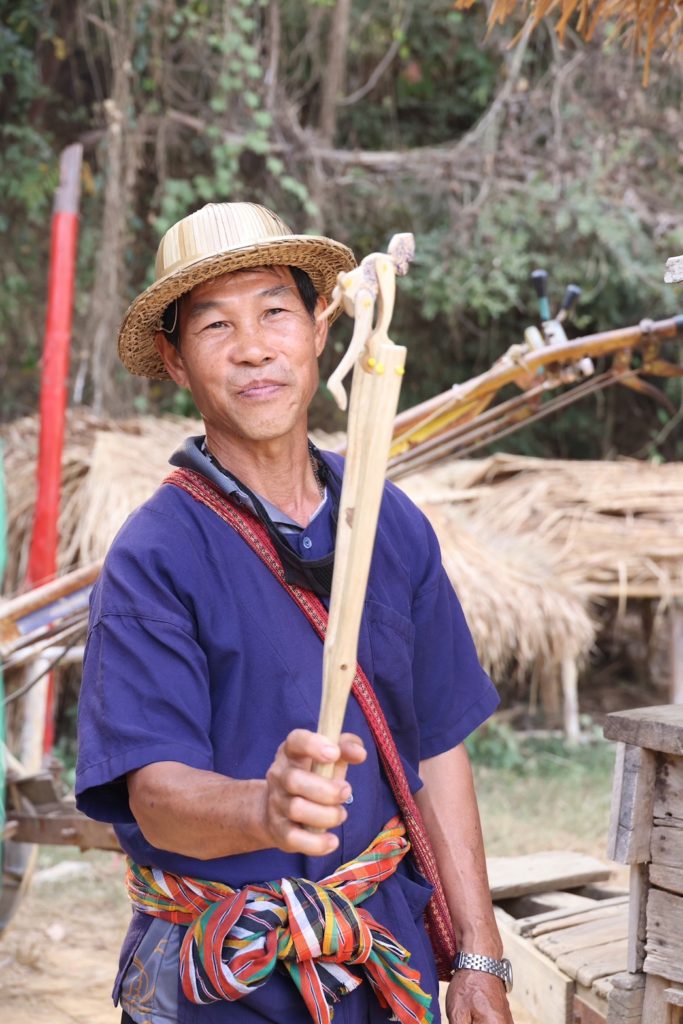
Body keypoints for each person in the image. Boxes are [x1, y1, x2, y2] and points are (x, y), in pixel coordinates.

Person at [75, 201, 515, 1024]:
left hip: (386, 963)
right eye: (214, 326)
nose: (252, 348)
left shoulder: (386, 520)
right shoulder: (154, 556)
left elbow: (439, 746)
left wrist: (478, 956)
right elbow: (154, 792)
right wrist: (262, 810)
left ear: (319, 327)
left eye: (274, 310)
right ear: (174, 360)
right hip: (231, 985)